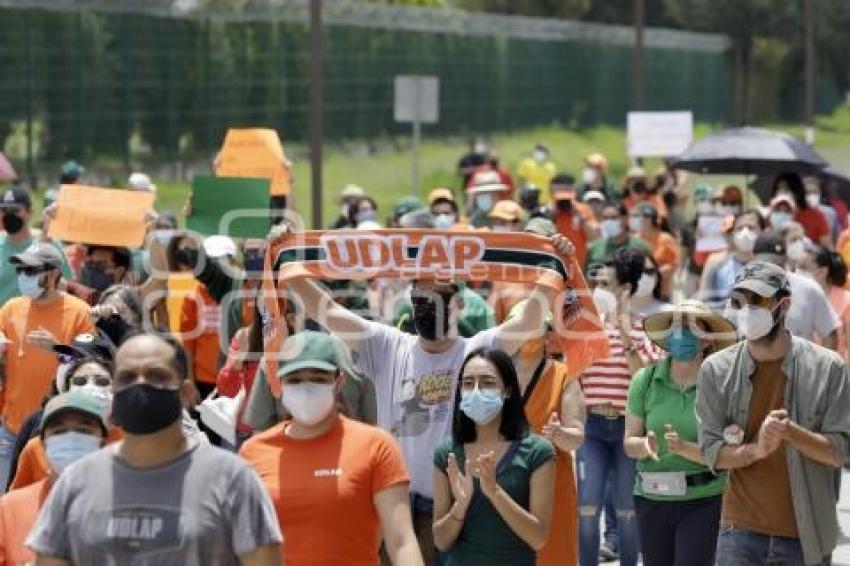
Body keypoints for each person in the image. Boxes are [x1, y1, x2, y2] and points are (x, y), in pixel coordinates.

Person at [280, 225, 574, 562]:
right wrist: (289, 261)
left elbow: (530, 319)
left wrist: (554, 266)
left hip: (457, 505)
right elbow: (325, 310)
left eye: (439, 297)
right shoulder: (387, 346)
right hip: (398, 505)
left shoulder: (477, 351)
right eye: (420, 297)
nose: (427, 306)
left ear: (459, 303)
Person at [27, 332, 283, 564]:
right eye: (127, 377)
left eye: (156, 376)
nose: (140, 385)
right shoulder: (75, 483)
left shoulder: (234, 480)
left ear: (184, 392)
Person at [697, 261, 850, 566]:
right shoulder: (716, 370)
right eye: (739, 301)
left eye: (759, 301)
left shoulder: (828, 368)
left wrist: (790, 433)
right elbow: (711, 452)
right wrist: (756, 449)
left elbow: (839, 453)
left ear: (784, 305)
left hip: (804, 535)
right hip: (738, 531)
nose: (747, 310)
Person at [241, 331, 423, 565]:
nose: (306, 389)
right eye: (294, 380)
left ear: (339, 382)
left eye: (318, 378)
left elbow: (401, 542)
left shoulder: (377, 446)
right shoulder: (252, 453)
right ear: (279, 384)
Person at [624, 300, 736, 566]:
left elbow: (728, 450)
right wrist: (645, 446)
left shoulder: (721, 385)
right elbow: (629, 443)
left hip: (704, 499)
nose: (681, 334)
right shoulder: (645, 380)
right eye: (676, 327)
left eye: (691, 327)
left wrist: (689, 448)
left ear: (707, 340)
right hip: (651, 498)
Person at [578, 247, 665, 566]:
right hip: (593, 427)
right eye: (596, 283)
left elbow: (644, 377)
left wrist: (626, 331)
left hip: (630, 427)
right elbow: (574, 373)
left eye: (606, 284)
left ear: (625, 289)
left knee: (628, 509)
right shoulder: (586, 327)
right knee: (587, 507)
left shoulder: (646, 328)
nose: (598, 290)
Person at [433, 347, 556, 565]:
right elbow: (441, 541)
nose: (477, 391)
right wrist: (460, 505)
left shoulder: (538, 452)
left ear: (507, 390)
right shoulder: (447, 454)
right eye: (468, 384)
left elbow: (539, 538)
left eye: (488, 382)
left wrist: (494, 491)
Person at [0, 243, 95, 489]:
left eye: (31, 271)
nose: (23, 277)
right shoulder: (11, 308)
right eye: (21, 270)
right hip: (10, 428)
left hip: (56, 429)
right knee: (8, 501)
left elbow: (93, 365)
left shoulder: (80, 313)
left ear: (53, 274)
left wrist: (58, 349)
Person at [508, 300, 585, 566]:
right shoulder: (492, 375)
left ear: (548, 334)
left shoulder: (565, 376)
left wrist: (560, 435)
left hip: (552, 490)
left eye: (533, 326)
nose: (526, 333)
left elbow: (576, 436)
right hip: (505, 487)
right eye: (519, 326)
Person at [0, 391, 108, 565]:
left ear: (102, 442)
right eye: (59, 431)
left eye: (84, 430)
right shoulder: (8, 509)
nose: (72, 439)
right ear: (43, 444)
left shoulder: (126, 507)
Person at [8, 353, 119, 491]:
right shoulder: (35, 448)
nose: (91, 387)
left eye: (101, 382)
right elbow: (16, 500)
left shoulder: (131, 443)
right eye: (80, 382)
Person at [749, 232, 839, 348]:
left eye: (775, 263)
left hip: (801, 364)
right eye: (763, 262)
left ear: (785, 258)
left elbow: (830, 334)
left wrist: (824, 365)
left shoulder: (808, 288)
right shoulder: (742, 291)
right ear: (753, 259)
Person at [0, 187, 72, 306]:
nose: (9, 215)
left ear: (30, 212)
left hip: (38, 319)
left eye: (15, 210)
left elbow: (67, 282)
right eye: (4, 210)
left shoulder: (48, 243)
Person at [700, 210, 765, 312]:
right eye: (740, 228)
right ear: (733, 233)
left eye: (751, 228)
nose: (745, 232)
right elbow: (705, 304)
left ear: (762, 231)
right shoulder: (717, 268)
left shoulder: (769, 268)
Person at [798, 246, 850, 359]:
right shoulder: (792, 297)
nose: (797, 272)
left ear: (822, 272)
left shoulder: (846, 301)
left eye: (803, 268)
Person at [629, 203, 678, 300]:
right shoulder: (633, 240)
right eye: (637, 216)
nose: (640, 219)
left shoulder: (666, 239)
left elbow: (673, 265)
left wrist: (653, 273)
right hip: (637, 293)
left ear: (653, 220)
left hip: (660, 292)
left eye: (645, 217)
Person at [550, 174, 599, 269]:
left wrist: (580, 216)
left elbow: (594, 237)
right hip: (554, 266)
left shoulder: (583, 209)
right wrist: (551, 216)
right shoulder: (547, 210)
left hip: (578, 266)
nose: (563, 201)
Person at [585, 203, 651, 271]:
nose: (609, 222)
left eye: (614, 217)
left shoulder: (640, 246)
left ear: (625, 218)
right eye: (605, 218)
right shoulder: (594, 248)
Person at [772, 172, 830, 247]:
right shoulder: (770, 215)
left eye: (786, 189)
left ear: (797, 191)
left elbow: (827, 246)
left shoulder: (816, 216)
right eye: (779, 189)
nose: (782, 192)